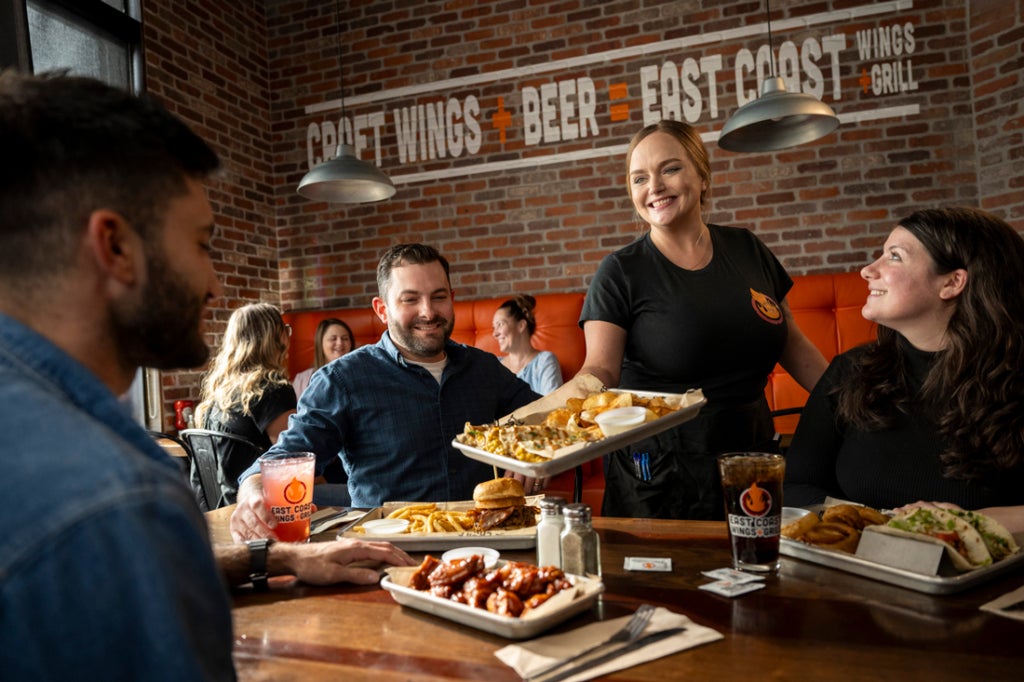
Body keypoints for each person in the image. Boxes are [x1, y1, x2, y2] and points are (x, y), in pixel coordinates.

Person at [0, 71, 413, 680]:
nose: (214, 284)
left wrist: (278, 559)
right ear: (114, 247)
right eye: (201, 243)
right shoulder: (119, 500)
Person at [577, 119, 827, 521]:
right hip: (661, 470)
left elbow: (793, 345)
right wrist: (540, 428)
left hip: (752, 454)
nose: (654, 187)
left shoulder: (747, 248)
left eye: (670, 169)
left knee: (759, 573)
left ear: (703, 176)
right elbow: (598, 369)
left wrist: (852, 401)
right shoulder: (620, 271)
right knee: (672, 582)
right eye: (639, 177)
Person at [230, 243, 542, 541]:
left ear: (452, 298)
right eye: (410, 299)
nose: (428, 311)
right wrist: (253, 488)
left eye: (438, 297)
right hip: (389, 550)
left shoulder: (483, 367)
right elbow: (288, 455)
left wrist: (527, 452)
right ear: (382, 309)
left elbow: (545, 417)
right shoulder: (341, 380)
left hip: (487, 541)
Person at [784, 207, 1024, 533]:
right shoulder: (850, 372)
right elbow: (795, 487)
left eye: (894, 257)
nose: (868, 270)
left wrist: (966, 524)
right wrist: (885, 527)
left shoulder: (1015, 381)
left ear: (953, 282)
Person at [193, 302, 297, 508]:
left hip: (223, 504)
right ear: (274, 338)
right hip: (261, 504)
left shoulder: (218, 393)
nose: (288, 335)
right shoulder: (274, 389)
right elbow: (290, 459)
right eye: (284, 329)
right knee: (350, 493)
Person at [493, 294, 562, 394]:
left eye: (500, 324)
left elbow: (552, 405)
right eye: (493, 327)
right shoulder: (495, 365)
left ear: (521, 325)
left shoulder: (544, 361)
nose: (495, 333)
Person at [293, 317, 355, 397]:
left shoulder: (360, 375)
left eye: (345, 338)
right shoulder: (302, 380)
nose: (340, 343)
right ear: (320, 344)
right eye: (333, 339)